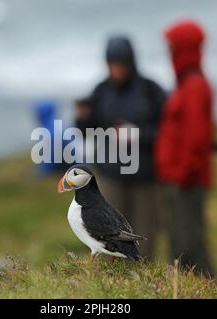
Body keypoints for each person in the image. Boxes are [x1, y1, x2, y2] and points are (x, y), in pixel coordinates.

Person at [75, 36, 166, 259]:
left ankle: (144, 285)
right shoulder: (101, 91)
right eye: (111, 64)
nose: (115, 70)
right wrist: (83, 118)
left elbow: (169, 132)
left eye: (120, 64)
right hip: (110, 178)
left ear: (131, 62)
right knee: (107, 237)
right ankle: (111, 288)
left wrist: (138, 134)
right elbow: (87, 131)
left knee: (143, 239)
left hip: (145, 179)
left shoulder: (150, 90)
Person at [154, 20, 215, 276]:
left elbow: (197, 140)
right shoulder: (188, 84)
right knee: (182, 244)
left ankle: (208, 291)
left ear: (184, 49)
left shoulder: (194, 87)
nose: (169, 53)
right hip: (180, 181)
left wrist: (180, 176)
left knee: (188, 247)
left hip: (185, 184)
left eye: (172, 47)